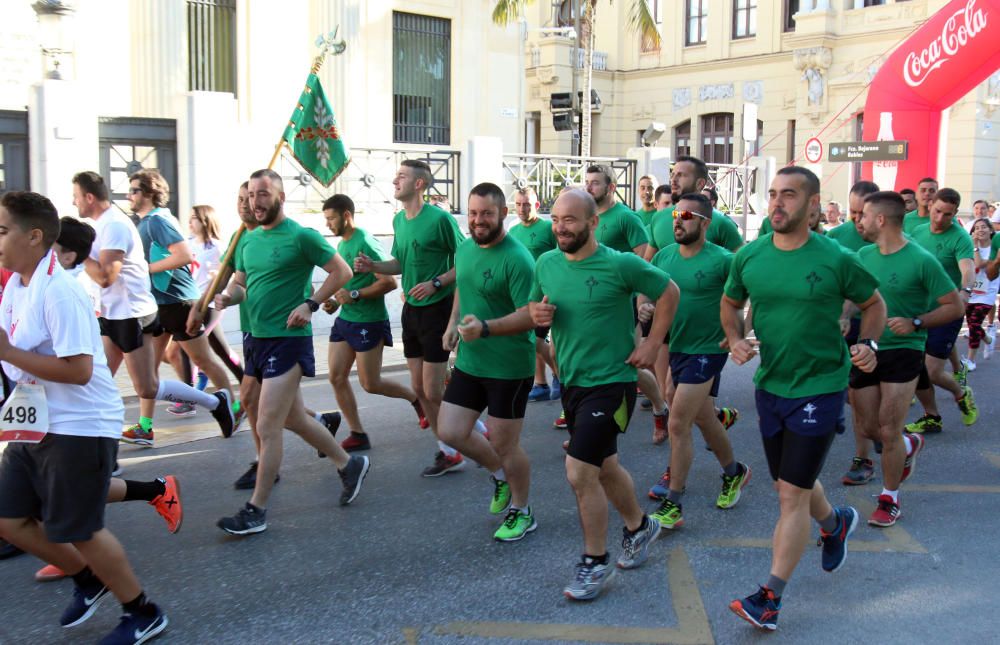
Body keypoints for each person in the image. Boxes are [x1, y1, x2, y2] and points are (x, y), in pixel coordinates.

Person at [723, 166, 886, 631]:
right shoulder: (750, 256)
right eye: (773, 194)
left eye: (789, 195)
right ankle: (834, 523)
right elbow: (730, 303)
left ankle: (769, 597)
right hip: (772, 384)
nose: (777, 203)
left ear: (813, 205)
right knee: (788, 484)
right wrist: (734, 336)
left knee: (790, 494)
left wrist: (868, 344)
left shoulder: (835, 258)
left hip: (821, 384)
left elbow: (874, 305)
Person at [0, 191, 168, 643]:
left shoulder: (61, 292)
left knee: (80, 529)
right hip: (35, 422)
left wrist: (8, 351)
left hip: (79, 426)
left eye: (1, 230)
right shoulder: (17, 286)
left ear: (33, 236)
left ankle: (143, 611)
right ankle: (88, 579)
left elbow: (78, 370)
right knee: (9, 518)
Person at [530, 188, 679, 601]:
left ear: (593, 223)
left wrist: (652, 344)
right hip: (573, 384)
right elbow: (534, 311)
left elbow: (670, 293)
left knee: (580, 471)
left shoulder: (621, 264)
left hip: (613, 383)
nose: (560, 227)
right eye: (556, 219)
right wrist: (536, 317)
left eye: (570, 220)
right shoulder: (546, 264)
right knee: (605, 465)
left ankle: (595, 562)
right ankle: (639, 526)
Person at [214, 169, 369, 535]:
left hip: (288, 340)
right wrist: (225, 298)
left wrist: (311, 304)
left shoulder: (302, 236)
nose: (256, 201)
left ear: (281, 197)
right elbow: (241, 285)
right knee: (294, 418)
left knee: (268, 424)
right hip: (256, 339)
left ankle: (257, 509)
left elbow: (342, 271)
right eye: (252, 194)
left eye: (264, 193)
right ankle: (348, 465)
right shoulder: (249, 241)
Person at [185, 183, 341, 490]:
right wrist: (200, 307)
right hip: (253, 330)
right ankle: (327, 436)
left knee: (265, 412)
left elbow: (323, 276)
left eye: (254, 197)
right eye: (242, 198)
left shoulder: (295, 236)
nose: (246, 204)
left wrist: (308, 302)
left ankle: (264, 475)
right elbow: (227, 281)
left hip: (283, 335)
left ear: (274, 199)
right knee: (284, 412)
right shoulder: (241, 239)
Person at [71, 171, 235, 446]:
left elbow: (108, 275)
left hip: (158, 307)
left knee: (169, 376)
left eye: (134, 190)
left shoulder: (136, 223)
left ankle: (221, 403)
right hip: (125, 310)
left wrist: (79, 252)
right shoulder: (113, 224)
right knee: (103, 378)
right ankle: (128, 433)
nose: (129, 195)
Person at [847, 191, 962, 526]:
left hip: (906, 348)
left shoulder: (922, 259)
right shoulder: (864, 255)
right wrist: (844, 314)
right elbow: (855, 299)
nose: (860, 221)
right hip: (868, 347)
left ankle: (889, 498)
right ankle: (910, 444)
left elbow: (954, 307)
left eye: (864, 215)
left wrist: (916, 322)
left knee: (888, 426)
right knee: (868, 427)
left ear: (881, 220)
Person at [642, 193, 751, 531]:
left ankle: (673, 503)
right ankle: (734, 471)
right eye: (676, 214)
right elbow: (647, 290)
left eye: (687, 215)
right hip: (679, 347)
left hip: (709, 349)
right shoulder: (663, 257)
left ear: (705, 223)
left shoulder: (722, 260)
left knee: (677, 423)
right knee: (704, 418)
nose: (678, 220)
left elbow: (754, 294)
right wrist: (643, 306)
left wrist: (740, 334)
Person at [437, 182, 537, 541]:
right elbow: (463, 286)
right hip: (471, 360)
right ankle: (499, 474)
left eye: (487, 214)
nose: (478, 221)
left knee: (505, 444)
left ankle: (523, 510)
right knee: (448, 431)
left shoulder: (518, 259)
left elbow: (531, 315)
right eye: (474, 213)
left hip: (509, 366)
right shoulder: (465, 250)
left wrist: (486, 329)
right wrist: (452, 324)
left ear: (503, 215)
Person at [353, 160, 465, 477]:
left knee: (432, 389)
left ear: (419, 184)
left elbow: (467, 260)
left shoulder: (440, 220)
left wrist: (437, 283)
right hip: (411, 310)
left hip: (438, 308)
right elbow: (399, 263)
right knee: (418, 388)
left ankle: (471, 430)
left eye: (401, 176)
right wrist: (372, 266)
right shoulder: (399, 220)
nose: (394, 180)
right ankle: (449, 451)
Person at [322, 194, 421, 452]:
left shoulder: (364, 240)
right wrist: (337, 301)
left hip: (369, 321)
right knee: (335, 376)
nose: (328, 225)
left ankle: (416, 399)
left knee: (371, 383)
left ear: (346, 215)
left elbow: (389, 281)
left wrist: (354, 295)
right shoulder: (342, 245)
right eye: (325, 219)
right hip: (346, 320)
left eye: (331, 218)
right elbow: (350, 283)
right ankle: (357, 433)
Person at [584, 164, 669, 438]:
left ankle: (659, 407)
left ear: (611, 187)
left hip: (624, 303)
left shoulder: (626, 218)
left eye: (595, 183)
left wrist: (644, 301)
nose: (589, 187)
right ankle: (584, 420)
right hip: (592, 302)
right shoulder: (586, 217)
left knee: (627, 361)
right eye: (587, 182)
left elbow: (646, 261)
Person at [905, 188, 978, 434]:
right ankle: (932, 416)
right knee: (915, 367)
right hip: (918, 310)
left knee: (933, 371)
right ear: (930, 206)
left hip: (946, 311)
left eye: (947, 215)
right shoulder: (916, 232)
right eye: (937, 212)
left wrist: (965, 292)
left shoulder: (960, 238)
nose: (939, 219)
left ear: (955, 213)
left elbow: (967, 268)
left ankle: (961, 393)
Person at [165, 204, 244, 416]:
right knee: (221, 351)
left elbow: (228, 275)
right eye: (189, 218)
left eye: (194, 218)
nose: (190, 222)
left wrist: (216, 279)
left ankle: (189, 398)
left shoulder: (216, 247)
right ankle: (247, 380)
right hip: (193, 303)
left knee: (182, 349)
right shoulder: (188, 245)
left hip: (209, 305)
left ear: (206, 220)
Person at [508, 188, 559, 403]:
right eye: (519, 204)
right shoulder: (513, 232)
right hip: (524, 295)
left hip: (549, 293)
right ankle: (541, 384)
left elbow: (561, 256)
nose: (522, 208)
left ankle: (560, 376)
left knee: (539, 339)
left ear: (536, 205)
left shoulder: (548, 228)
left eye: (527, 204)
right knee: (532, 340)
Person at [964, 217, 999, 369]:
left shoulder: (995, 246)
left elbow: (979, 263)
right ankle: (988, 340)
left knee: (975, 323)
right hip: (972, 291)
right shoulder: (968, 247)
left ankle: (971, 360)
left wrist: (976, 247)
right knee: (973, 323)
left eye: (984, 227)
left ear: (991, 230)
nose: (980, 230)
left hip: (988, 291)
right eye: (977, 228)